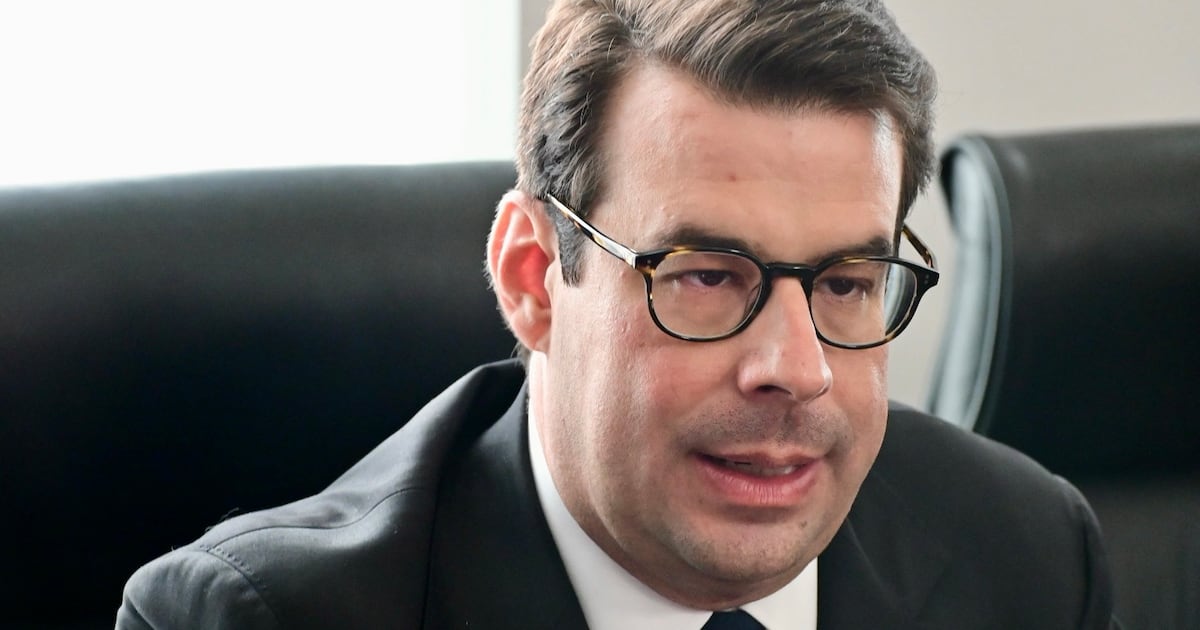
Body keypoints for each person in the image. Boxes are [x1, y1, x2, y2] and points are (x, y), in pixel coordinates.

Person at [117, 0, 1120, 628]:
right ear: (531, 277)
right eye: (706, 275)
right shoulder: (255, 620)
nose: (797, 368)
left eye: (846, 283)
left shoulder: (1029, 554)